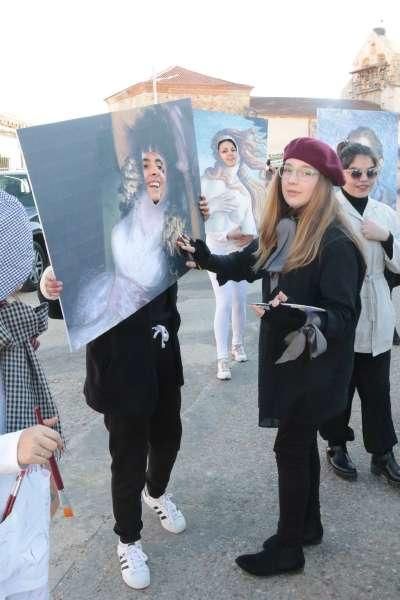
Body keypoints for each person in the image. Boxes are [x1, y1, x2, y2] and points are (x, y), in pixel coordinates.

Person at [178, 137, 365, 576]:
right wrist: (203, 256)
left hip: (315, 367)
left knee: (292, 448)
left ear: (324, 183)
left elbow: (342, 318)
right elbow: (247, 263)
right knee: (298, 447)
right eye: (289, 169)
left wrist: (292, 317)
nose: (294, 179)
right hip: (290, 360)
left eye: (306, 172)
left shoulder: (335, 241)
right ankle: (309, 527)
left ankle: (288, 547)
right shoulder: (287, 225)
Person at [40, 196, 209, 591]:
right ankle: (128, 539)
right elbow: (72, 296)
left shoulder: (167, 223)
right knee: (128, 457)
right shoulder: (103, 236)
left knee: (169, 437)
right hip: (119, 366)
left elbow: (196, 258)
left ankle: (157, 492)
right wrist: (52, 286)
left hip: (163, 356)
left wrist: (200, 218)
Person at [319, 141, 400, 485]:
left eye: (371, 172)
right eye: (356, 172)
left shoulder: (385, 212)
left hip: (378, 305)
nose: (364, 178)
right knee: (340, 386)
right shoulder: (328, 210)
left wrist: (387, 238)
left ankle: (382, 453)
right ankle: (336, 444)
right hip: (341, 307)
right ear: (342, 172)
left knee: (377, 387)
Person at [0, 190, 63, 599]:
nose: (9, 297)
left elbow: (25, 321)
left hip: (17, 507)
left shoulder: (7, 316)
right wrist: (14, 448)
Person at [201, 131, 260, 379]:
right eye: (224, 150)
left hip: (239, 247)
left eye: (232, 149)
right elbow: (207, 222)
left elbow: (248, 216)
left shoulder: (243, 181)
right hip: (218, 248)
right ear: (217, 154)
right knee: (224, 301)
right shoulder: (208, 180)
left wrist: (249, 235)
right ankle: (222, 359)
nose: (229, 153)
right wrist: (228, 236)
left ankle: (238, 344)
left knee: (239, 300)